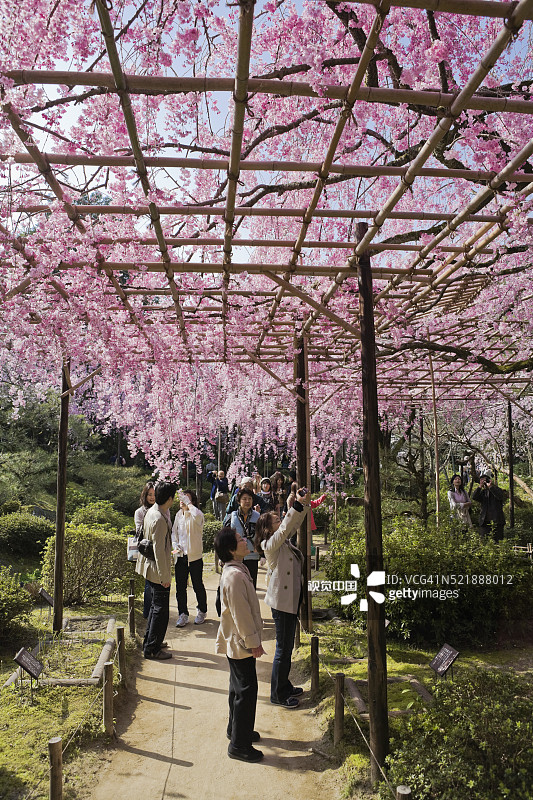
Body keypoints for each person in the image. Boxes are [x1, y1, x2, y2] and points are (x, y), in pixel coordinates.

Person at [255, 488, 310, 709]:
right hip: (281, 603)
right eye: (276, 520)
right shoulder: (269, 544)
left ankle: (285, 685)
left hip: (290, 600)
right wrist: (294, 505)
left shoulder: (283, 541)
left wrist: (303, 506)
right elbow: (287, 526)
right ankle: (277, 694)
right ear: (268, 528)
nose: (281, 521)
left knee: (286, 648)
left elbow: (293, 525)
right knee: (282, 649)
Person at [215, 526, 265, 763]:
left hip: (237, 640)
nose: (244, 541)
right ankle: (239, 745)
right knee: (246, 691)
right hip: (240, 641)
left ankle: (236, 730)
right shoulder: (234, 576)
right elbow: (241, 614)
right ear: (231, 550)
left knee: (238, 688)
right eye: (239, 540)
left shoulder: (236, 569)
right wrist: (253, 642)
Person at [136, 481, 176, 660]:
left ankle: (150, 642)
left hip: (150, 567)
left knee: (154, 608)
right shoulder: (159, 518)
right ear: (169, 498)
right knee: (160, 611)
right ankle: (152, 648)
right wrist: (164, 577)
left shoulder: (153, 511)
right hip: (157, 570)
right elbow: (159, 551)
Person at [172, 488, 208, 627]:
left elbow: (198, 516)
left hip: (195, 556)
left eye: (187, 498)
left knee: (197, 585)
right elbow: (173, 533)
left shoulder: (196, 514)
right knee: (180, 587)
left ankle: (202, 611)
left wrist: (189, 504)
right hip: (180, 556)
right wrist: (175, 545)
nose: (183, 501)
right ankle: (183, 614)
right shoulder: (178, 515)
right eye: (182, 498)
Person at [230, 488, 261, 589]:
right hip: (236, 556)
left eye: (250, 498)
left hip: (252, 554)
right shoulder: (232, 516)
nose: (247, 501)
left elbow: (261, 534)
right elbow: (227, 536)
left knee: (251, 586)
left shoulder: (257, 516)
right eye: (244, 499)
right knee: (237, 585)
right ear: (238, 501)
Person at [134, 481, 156, 618]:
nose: (152, 497)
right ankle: (147, 612)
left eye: (154, 494)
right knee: (149, 582)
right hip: (147, 551)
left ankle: (154, 611)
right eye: (149, 494)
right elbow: (139, 531)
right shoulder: (140, 512)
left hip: (159, 550)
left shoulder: (162, 510)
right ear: (145, 495)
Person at [472, 474, 506, 540]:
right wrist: (480, 487)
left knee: (498, 542)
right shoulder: (483, 493)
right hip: (485, 521)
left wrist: (491, 487)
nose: (484, 482)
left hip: (497, 521)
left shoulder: (497, 489)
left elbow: (500, 497)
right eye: (482, 481)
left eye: (486, 480)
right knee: (485, 541)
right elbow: (474, 497)